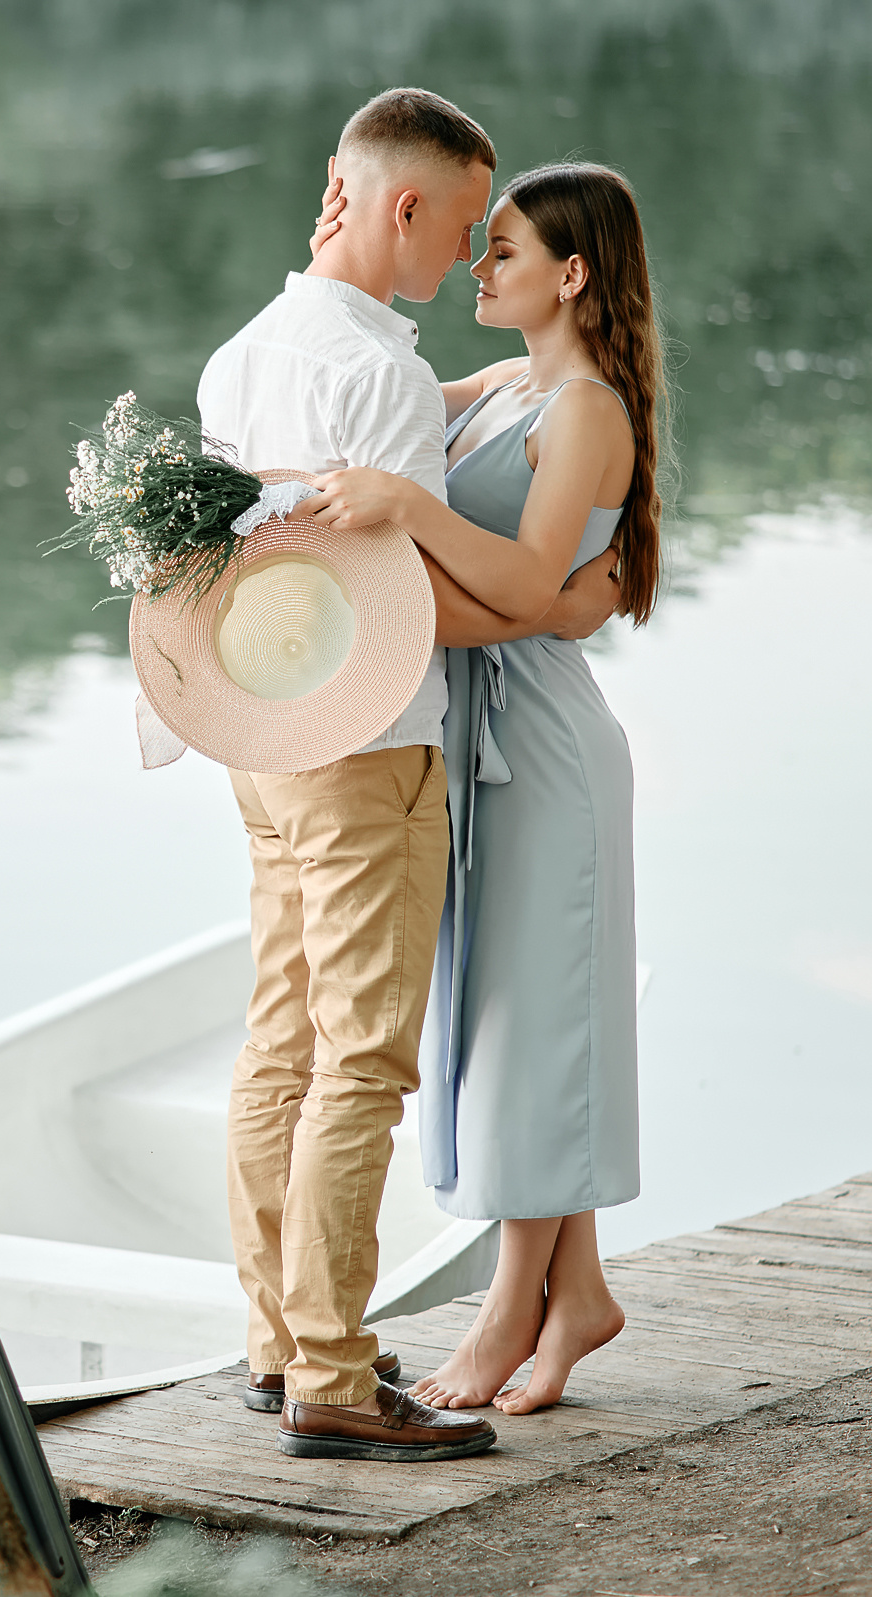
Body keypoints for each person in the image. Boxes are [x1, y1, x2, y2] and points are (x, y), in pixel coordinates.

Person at [195, 89, 621, 1462]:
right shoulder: (378, 376)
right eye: (456, 232)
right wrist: (552, 607)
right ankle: (329, 1373)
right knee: (364, 1061)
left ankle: (279, 1342)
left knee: (281, 1043)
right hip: (370, 744)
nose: (456, 266)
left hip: (265, 738)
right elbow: (396, 595)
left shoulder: (244, 354)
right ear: (402, 208)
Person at [299, 161, 664, 1414]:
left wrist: (407, 514)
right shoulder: (512, 383)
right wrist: (330, 270)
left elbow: (515, 586)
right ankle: (581, 1300)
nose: (477, 265)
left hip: (546, 752)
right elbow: (368, 406)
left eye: (500, 249)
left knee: (528, 1026)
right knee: (515, 1017)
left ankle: (515, 1313)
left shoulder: (591, 413)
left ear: (569, 273)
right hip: (482, 734)